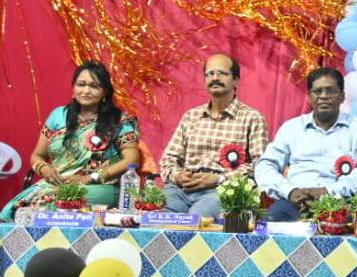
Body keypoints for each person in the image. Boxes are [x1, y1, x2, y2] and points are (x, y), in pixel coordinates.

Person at [1, 62, 140, 219]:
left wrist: (89, 178)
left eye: (94, 86)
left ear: (105, 92)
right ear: (74, 88)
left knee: (55, 204)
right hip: (54, 184)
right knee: (15, 210)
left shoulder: (118, 120)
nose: (86, 91)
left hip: (98, 187)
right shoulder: (59, 115)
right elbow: (37, 155)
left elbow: (132, 159)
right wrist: (44, 168)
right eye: (81, 84)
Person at [255, 67, 357, 220]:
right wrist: (290, 191)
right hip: (296, 202)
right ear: (309, 97)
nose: (323, 96)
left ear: (342, 96)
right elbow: (265, 166)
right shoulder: (291, 128)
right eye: (317, 91)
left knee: (351, 222)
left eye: (330, 91)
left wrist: (328, 191)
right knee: (272, 219)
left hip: (340, 202)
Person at [160, 53, 268, 219]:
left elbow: (259, 165)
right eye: (210, 73)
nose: (215, 78)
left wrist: (219, 179)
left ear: (236, 80)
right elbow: (168, 160)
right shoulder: (191, 116)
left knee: (198, 219)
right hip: (182, 189)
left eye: (222, 73)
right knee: (159, 217)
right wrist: (179, 176)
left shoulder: (252, 118)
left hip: (223, 189)